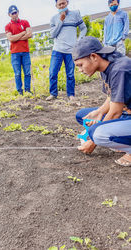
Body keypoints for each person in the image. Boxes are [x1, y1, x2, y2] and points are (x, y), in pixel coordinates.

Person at [72, 36, 131, 167]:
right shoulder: (105, 66)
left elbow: (115, 112)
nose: (80, 70)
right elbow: (112, 96)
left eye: (80, 65)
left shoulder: (120, 69)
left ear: (93, 56)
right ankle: (122, 140)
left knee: (97, 134)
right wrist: (99, 112)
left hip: (125, 113)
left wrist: (93, 142)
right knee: (83, 116)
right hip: (127, 113)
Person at [47, 0, 87, 101]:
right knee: (52, 72)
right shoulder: (53, 18)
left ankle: (71, 94)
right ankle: (53, 93)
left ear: (67, 3)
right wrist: (61, 20)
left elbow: (83, 28)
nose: (62, 6)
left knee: (70, 74)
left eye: (63, 3)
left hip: (71, 50)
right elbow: (52, 35)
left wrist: (79, 41)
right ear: (56, 5)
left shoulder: (75, 15)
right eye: (59, 4)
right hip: (57, 50)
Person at [5, 5, 32, 95]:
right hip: (15, 53)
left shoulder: (25, 22)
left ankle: (27, 90)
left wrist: (16, 37)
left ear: (18, 12)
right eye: (12, 13)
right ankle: (19, 91)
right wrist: (23, 33)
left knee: (27, 73)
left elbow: (29, 34)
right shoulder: (8, 26)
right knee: (17, 73)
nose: (14, 15)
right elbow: (11, 39)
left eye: (15, 12)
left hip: (25, 52)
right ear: (9, 15)